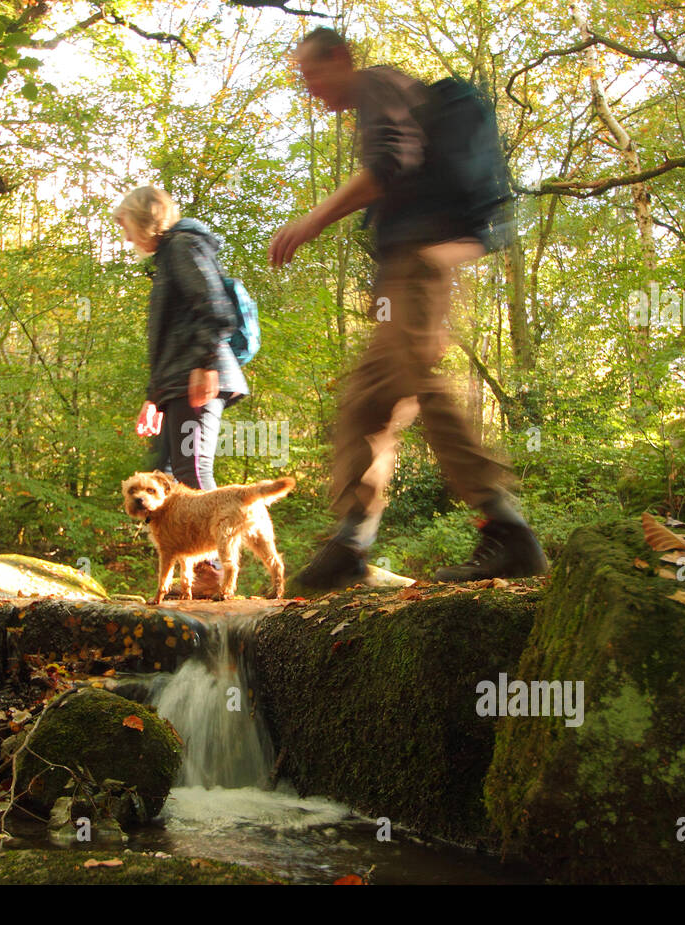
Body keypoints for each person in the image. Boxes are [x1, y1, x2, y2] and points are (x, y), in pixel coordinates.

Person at [268, 27, 547, 592]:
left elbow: (392, 162)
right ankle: (352, 541)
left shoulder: (378, 87)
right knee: (367, 402)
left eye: (312, 75)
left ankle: (507, 526)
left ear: (341, 59)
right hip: (404, 264)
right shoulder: (380, 95)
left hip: (420, 259)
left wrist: (313, 219)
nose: (310, 90)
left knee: (418, 377)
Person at [114, 185, 248, 596]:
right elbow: (170, 337)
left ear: (143, 218)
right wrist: (154, 398)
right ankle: (187, 577)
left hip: (200, 377)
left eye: (125, 225)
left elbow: (213, 305)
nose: (125, 236)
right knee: (166, 477)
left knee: (191, 470)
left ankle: (213, 571)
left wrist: (206, 363)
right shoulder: (169, 256)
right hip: (179, 383)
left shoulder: (184, 246)